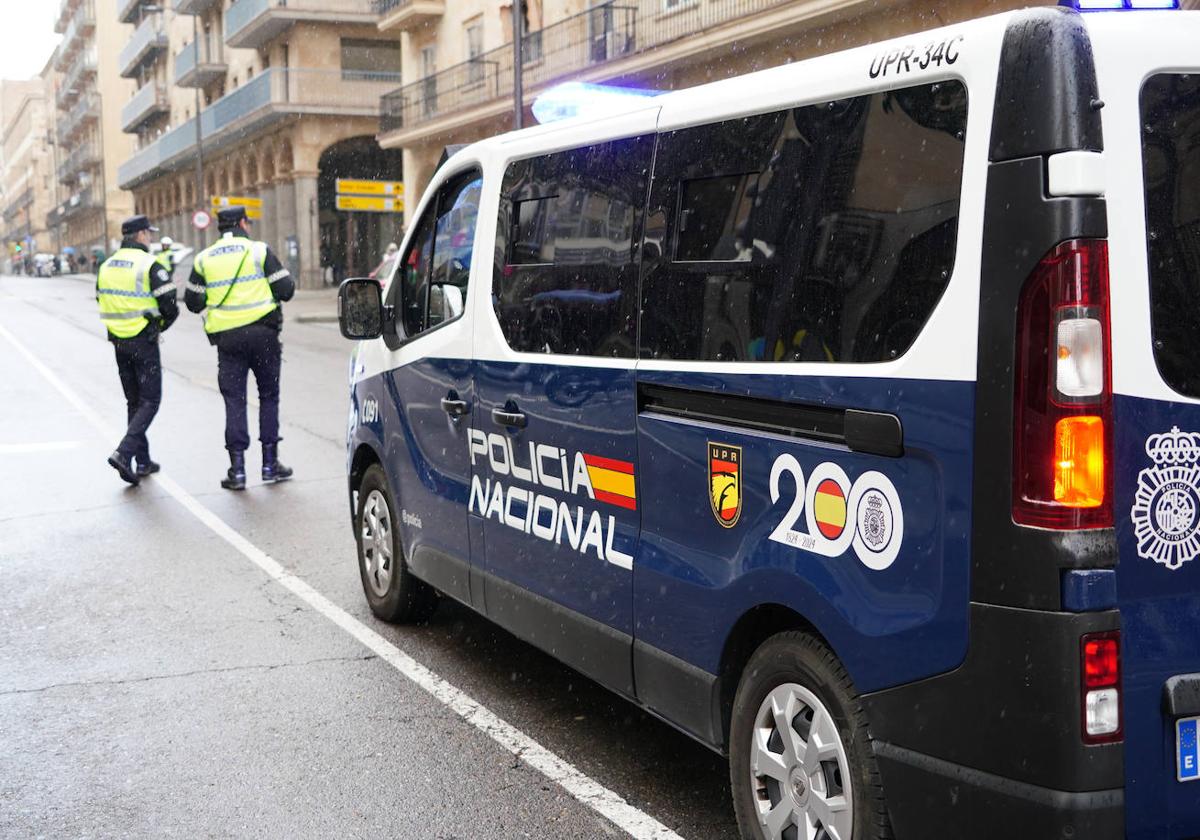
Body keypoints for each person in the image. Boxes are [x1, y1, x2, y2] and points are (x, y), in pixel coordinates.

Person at [185, 206, 295, 491]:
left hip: (228, 341)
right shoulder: (259, 251)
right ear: (244, 223)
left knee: (235, 401)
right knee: (268, 397)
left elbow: (193, 302)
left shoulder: (204, 258)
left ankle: (238, 470)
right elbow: (286, 289)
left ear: (219, 228)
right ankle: (270, 465)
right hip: (264, 335)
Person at [97, 215, 178, 485]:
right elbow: (170, 304)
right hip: (143, 341)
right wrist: (160, 325)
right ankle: (124, 452)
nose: (151, 238)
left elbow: (101, 298)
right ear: (141, 235)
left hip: (118, 343)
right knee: (150, 400)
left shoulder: (106, 266)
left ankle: (142, 461)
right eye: (149, 234)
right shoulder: (148, 264)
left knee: (134, 401)